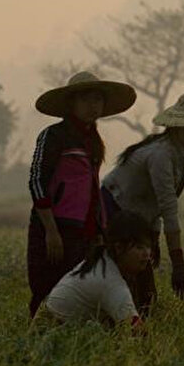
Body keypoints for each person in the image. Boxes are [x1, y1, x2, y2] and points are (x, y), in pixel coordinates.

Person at [101, 93, 184, 315]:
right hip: (115, 211)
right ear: (177, 129)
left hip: (138, 219)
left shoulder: (180, 155)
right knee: (121, 277)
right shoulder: (161, 155)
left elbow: (155, 205)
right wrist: (178, 266)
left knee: (145, 290)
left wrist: (154, 239)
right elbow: (168, 209)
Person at [27, 71, 136, 318]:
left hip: (85, 232)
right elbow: (36, 182)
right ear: (72, 103)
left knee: (77, 292)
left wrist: (100, 230)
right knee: (46, 290)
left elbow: (92, 190)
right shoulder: (53, 135)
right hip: (54, 228)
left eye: (97, 100)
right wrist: (51, 231)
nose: (92, 106)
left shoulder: (94, 140)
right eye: (86, 100)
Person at [33, 210, 153, 331]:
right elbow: (137, 332)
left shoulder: (102, 261)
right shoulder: (110, 282)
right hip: (51, 337)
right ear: (119, 248)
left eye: (148, 247)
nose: (146, 254)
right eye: (139, 247)